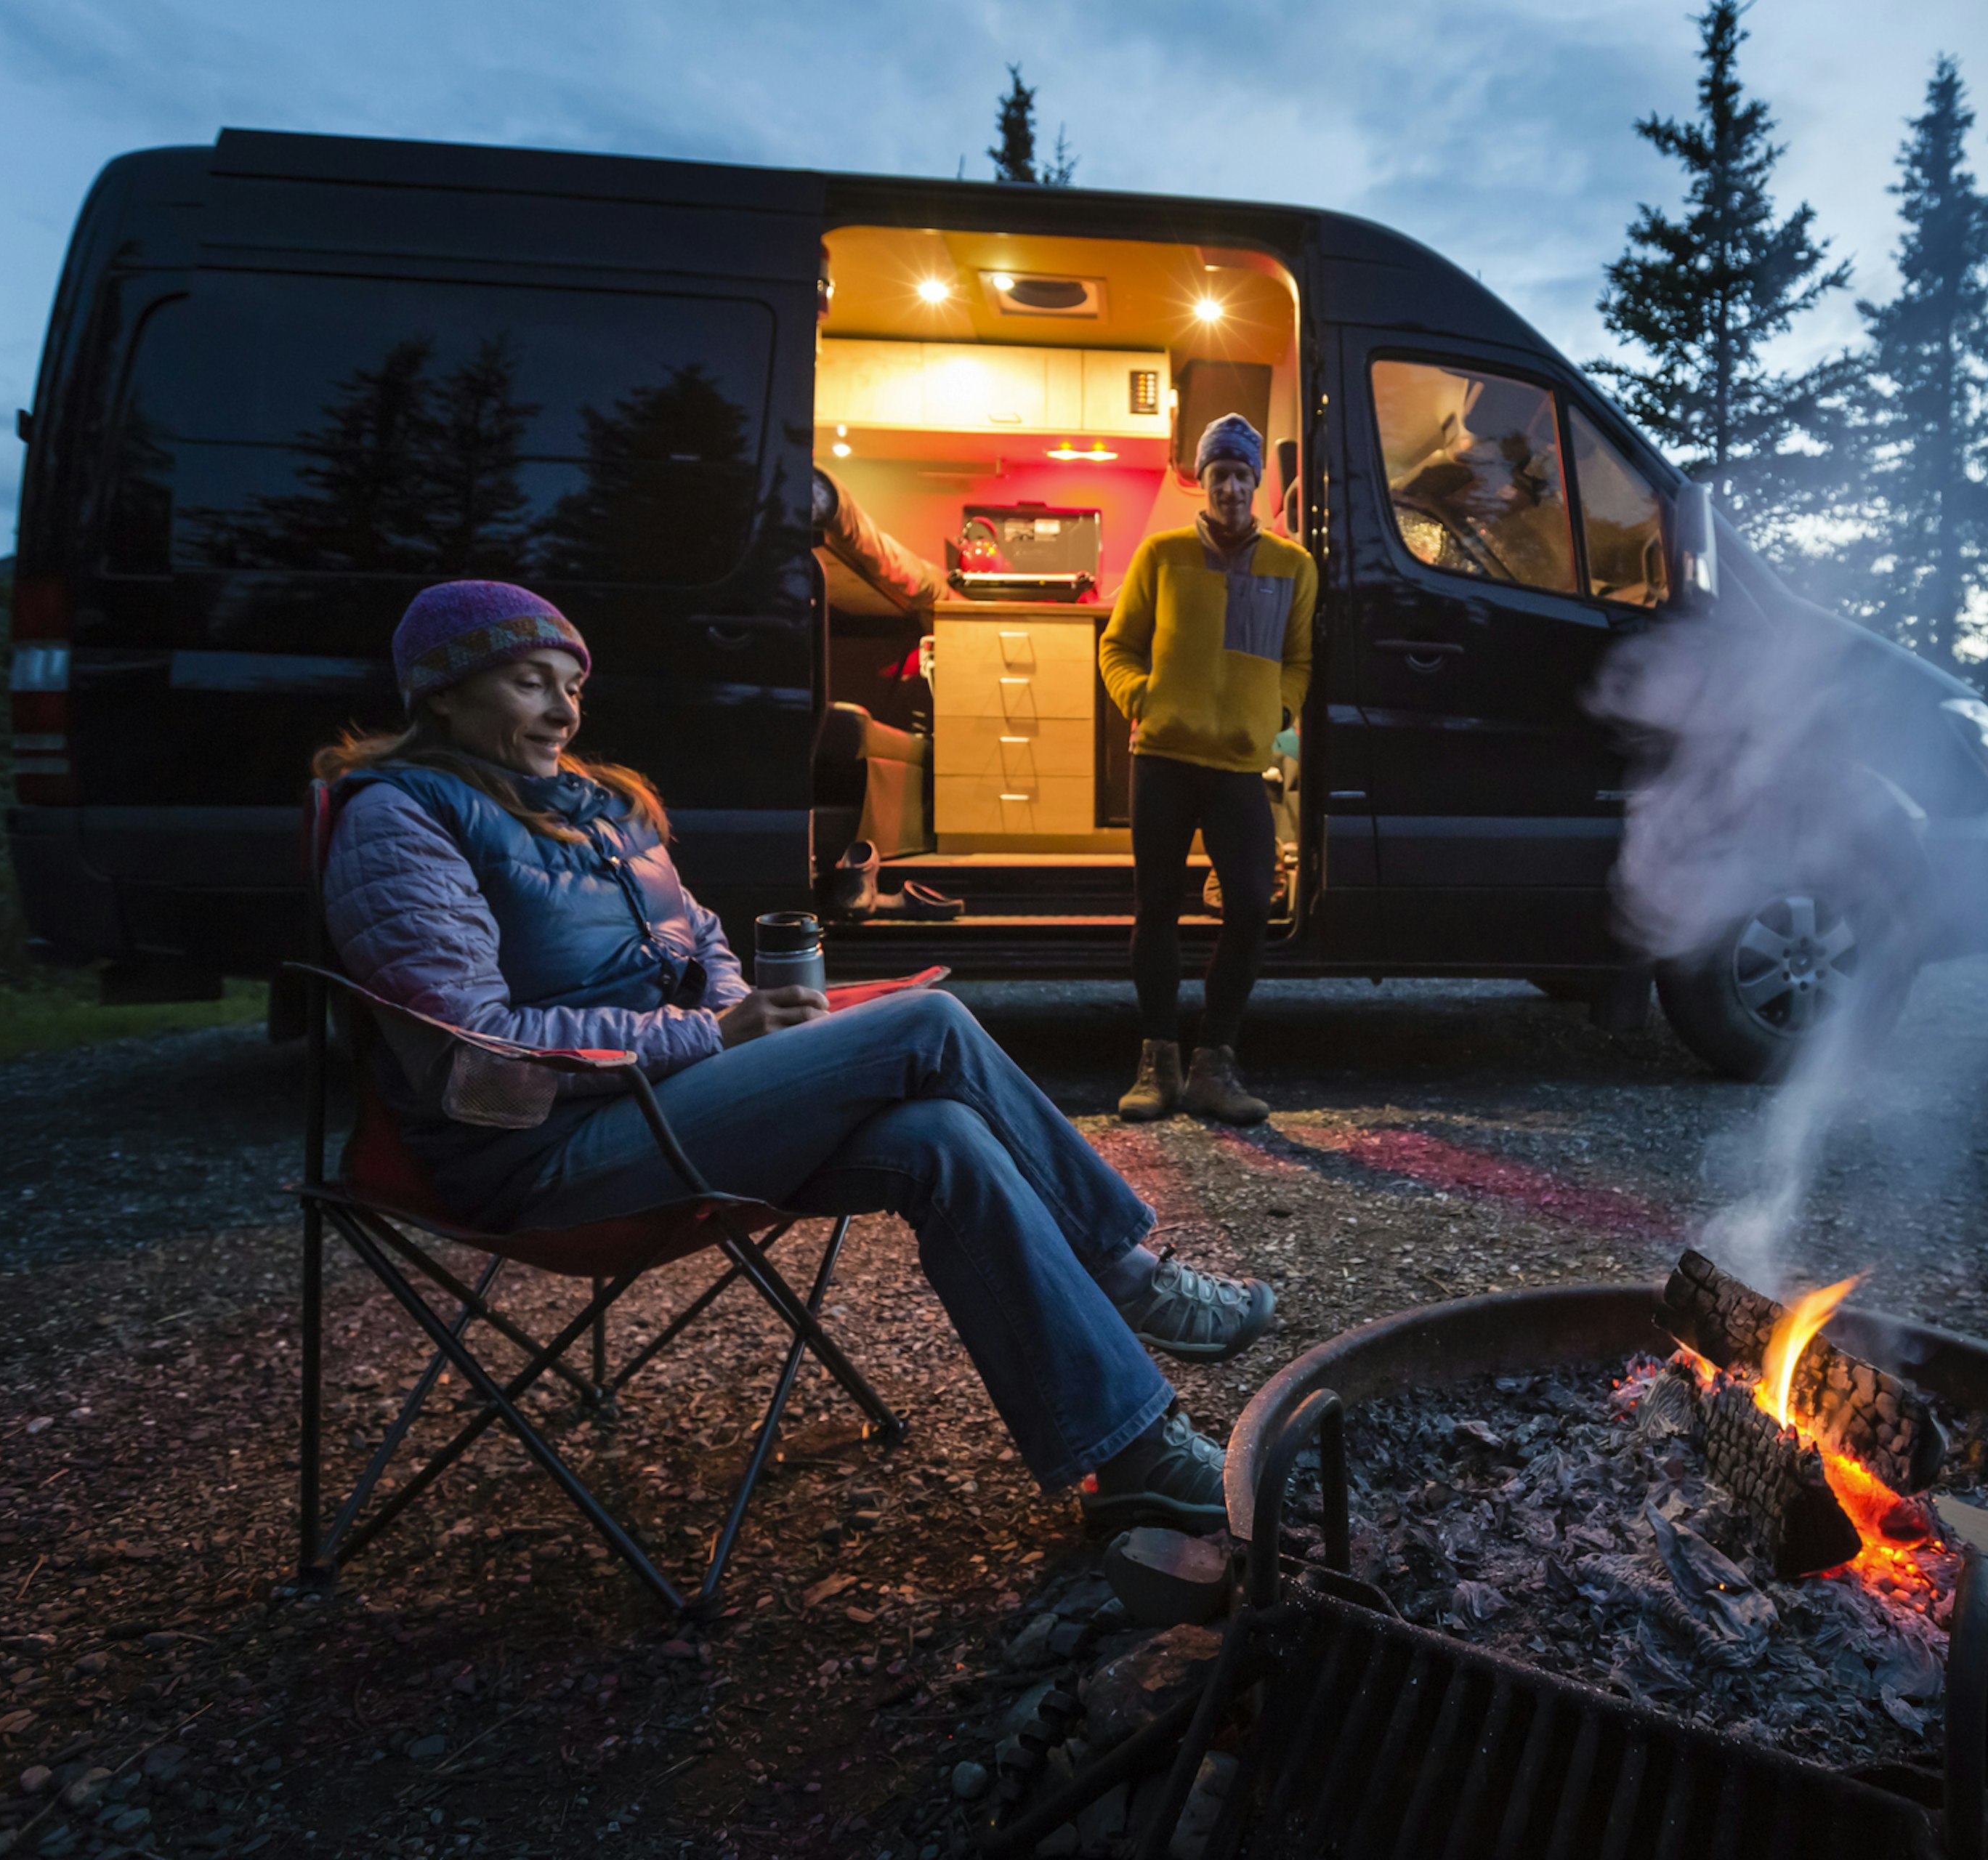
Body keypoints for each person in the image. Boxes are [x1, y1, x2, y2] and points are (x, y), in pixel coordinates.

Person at [315, 580, 1275, 1532]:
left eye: (572, 686)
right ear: (441, 692)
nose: (564, 710)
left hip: (672, 1110)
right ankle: (1127, 1275)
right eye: (531, 683)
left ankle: (1134, 1456)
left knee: (943, 1137)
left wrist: (747, 1021)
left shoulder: (606, 807)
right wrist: (711, 1038)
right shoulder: (402, 817)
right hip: (535, 1151)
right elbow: (470, 1047)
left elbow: (705, 945)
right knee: (928, 1024)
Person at [1096, 413, 1315, 1125]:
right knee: (1157, 907)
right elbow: (1117, 647)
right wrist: (1144, 698)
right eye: (1217, 474)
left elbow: (1300, 659)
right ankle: (1156, 1062)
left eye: (1240, 475)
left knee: (1251, 902)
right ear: (1204, 480)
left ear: (1255, 483)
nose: (1229, 487)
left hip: (1239, 766)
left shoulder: (1293, 566)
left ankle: (1214, 1065)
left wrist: (1278, 714)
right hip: (1161, 757)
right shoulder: (1161, 555)